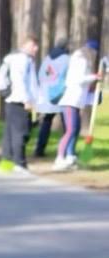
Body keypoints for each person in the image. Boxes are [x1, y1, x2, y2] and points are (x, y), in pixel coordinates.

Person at [54, 38, 102, 171]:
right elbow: (77, 79)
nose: (94, 55)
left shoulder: (84, 61)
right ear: (89, 50)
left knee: (75, 129)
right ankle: (59, 158)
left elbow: (83, 81)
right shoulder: (80, 60)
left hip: (76, 101)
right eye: (93, 52)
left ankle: (70, 156)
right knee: (70, 130)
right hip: (70, 101)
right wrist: (94, 77)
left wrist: (91, 84)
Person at [0, 36, 40, 172]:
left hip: (12, 100)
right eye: (33, 45)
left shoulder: (20, 59)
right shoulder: (22, 60)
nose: (36, 48)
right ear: (25, 45)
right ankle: (19, 163)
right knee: (21, 132)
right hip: (19, 101)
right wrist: (26, 100)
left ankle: (7, 161)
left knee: (10, 132)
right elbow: (19, 81)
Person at [33, 38, 69, 160]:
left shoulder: (47, 58)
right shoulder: (66, 59)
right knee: (67, 125)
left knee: (46, 122)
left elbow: (40, 75)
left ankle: (39, 149)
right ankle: (66, 151)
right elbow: (67, 76)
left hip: (46, 94)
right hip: (61, 94)